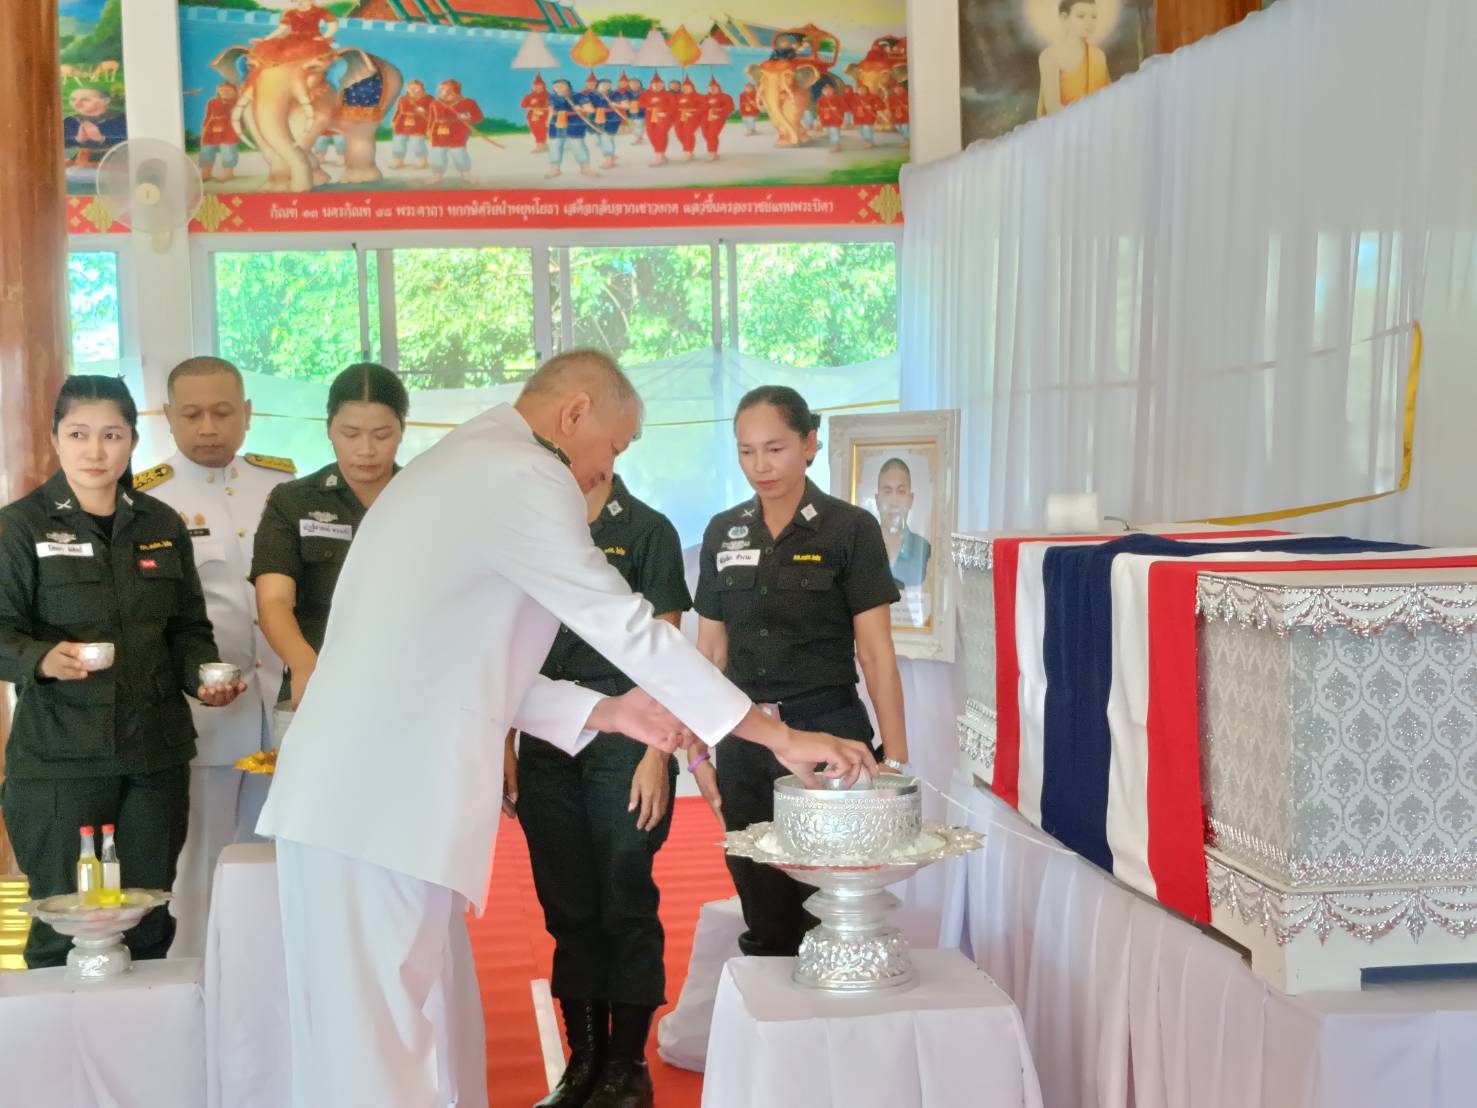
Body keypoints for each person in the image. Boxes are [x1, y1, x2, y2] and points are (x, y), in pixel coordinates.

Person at [255, 350, 874, 1108]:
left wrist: (607, 711)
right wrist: (773, 736)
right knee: (372, 1047)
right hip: (371, 802)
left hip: (372, 802)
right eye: (612, 447)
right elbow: (621, 623)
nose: (603, 471)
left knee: (391, 1032)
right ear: (574, 413)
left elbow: (454, 659)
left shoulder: (467, 462)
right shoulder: (522, 473)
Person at [0, 376, 244, 969]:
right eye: (78, 434)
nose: (95, 450)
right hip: (60, 761)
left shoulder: (161, 522)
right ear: (56, 439)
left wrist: (203, 679)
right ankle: (63, 1058)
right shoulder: (22, 525)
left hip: (153, 755)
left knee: (148, 917)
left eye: (111, 435)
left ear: (133, 439)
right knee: (66, 922)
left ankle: (149, 1053)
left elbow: (187, 628)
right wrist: (41, 659)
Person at [690, 385, 910, 957]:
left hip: (830, 736)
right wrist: (697, 751)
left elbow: (877, 653)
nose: (759, 466)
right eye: (746, 452)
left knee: (835, 912)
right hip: (743, 738)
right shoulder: (723, 532)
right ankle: (773, 1042)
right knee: (764, 912)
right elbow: (709, 655)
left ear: (810, 444)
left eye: (775, 448)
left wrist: (897, 760)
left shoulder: (850, 529)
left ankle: (835, 1037)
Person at [507, 472, 704, 1108]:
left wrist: (657, 754)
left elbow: (668, 649)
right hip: (546, 735)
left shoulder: (646, 529)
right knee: (567, 902)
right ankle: (584, 1059)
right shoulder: (531, 526)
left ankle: (627, 1065)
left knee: (624, 893)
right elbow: (504, 644)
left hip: (630, 733)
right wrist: (501, 743)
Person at [137, 357, 296, 959]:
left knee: (275, 852)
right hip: (203, 712)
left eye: (224, 412)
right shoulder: (147, 498)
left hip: (283, 700)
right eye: (193, 414)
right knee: (198, 859)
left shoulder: (281, 487)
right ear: (168, 419)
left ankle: (270, 977)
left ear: (248, 414)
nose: (209, 427)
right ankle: (195, 978)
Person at [250, 363, 406, 714]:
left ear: (402, 431)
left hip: (410, 686)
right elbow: (274, 601)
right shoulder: (293, 501)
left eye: (382, 435)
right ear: (329, 429)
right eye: (350, 434)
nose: (366, 449)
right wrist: (306, 666)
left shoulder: (429, 498)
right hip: (316, 680)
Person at [1038, 0, 1111, 117]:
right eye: (1081, 16)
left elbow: (1109, 98)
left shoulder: (1098, 56)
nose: (1089, 22)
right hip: (1066, 127)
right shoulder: (1050, 56)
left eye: (1094, 17)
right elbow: (1053, 108)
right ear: (1064, 18)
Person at [875, 457, 933, 589]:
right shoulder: (862, 548)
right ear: (877, 500)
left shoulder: (924, 549)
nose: (894, 502)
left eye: (901, 492)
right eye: (887, 492)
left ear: (910, 500)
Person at [428, 78, 482, 184]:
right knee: (438, 153)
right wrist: (429, 129)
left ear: (455, 91)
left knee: (459, 153)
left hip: (458, 131)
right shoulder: (435, 103)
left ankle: (466, 174)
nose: (441, 92)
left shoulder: (469, 102)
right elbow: (432, 118)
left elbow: (478, 117)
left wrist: (467, 116)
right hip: (439, 132)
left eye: (445, 90)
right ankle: (437, 175)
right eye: (441, 89)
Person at [250, 0, 337, 66]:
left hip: (312, 39)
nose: (300, 3)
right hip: (292, 39)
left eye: (303, 1)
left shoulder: (320, 11)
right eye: (296, 1)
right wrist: (265, 39)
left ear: (311, 1)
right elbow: (280, 30)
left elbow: (333, 25)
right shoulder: (290, 13)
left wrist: (324, 37)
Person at [63, 87, 127, 168]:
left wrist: (102, 139)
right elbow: (54, 143)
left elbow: (130, 140)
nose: (77, 104)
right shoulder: (70, 121)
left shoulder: (120, 119)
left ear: (105, 101)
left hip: (116, 163)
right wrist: (77, 139)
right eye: (73, 99)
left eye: (85, 100)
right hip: (81, 163)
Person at [547, 77, 595, 179]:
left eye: (561, 85)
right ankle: (555, 169)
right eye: (556, 86)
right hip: (556, 124)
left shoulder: (579, 96)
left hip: (575, 123)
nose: (558, 88)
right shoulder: (552, 97)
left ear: (568, 86)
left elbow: (590, 109)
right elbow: (551, 111)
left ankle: (585, 168)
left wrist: (580, 109)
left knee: (578, 146)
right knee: (555, 146)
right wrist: (548, 121)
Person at [198, 82, 242, 181]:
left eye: (228, 90)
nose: (224, 92)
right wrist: (204, 130)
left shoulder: (239, 103)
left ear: (235, 91)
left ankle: (228, 173)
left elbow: (242, 118)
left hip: (229, 129)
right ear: (218, 91)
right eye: (222, 90)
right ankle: (206, 173)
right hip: (212, 129)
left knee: (228, 150)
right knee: (206, 151)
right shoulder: (212, 102)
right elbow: (208, 117)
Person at [391, 79, 433, 169]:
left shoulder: (429, 99)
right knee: (398, 142)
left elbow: (434, 113)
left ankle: (422, 162)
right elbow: (398, 111)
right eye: (410, 88)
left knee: (417, 143)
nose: (413, 90)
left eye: (416, 88)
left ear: (422, 88)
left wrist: (424, 112)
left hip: (419, 123)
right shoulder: (402, 99)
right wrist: (394, 121)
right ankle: (398, 162)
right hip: (402, 124)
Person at [585, 77, 625, 169]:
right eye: (603, 85)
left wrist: (616, 104)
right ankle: (612, 155)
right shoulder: (591, 95)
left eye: (608, 85)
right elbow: (586, 106)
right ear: (598, 85)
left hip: (611, 119)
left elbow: (625, 105)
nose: (606, 86)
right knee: (600, 141)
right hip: (595, 120)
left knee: (606, 139)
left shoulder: (614, 94)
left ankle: (609, 159)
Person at [640, 77, 676, 166]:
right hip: (650, 117)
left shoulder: (668, 94)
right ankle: (662, 154)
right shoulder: (646, 93)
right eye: (655, 84)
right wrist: (650, 103)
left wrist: (664, 112)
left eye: (659, 84)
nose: (657, 86)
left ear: (663, 85)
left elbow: (674, 106)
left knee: (660, 134)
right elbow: (640, 103)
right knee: (651, 134)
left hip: (663, 117)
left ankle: (659, 157)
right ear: (651, 85)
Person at [701, 77, 734, 162]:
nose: (712, 89)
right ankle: (714, 151)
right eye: (710, 88)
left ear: (718, 88)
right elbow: (702, 108)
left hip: (718, 118)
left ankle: (712, 153)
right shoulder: (705, 97)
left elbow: (730, 107)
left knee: (712, 134)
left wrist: (720, 115)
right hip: (706, 118)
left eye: (714, 88)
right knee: (706, 134)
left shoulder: (726, 96)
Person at [674, 77, 704, 162]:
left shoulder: (699, 96)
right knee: (679, 133)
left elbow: (703, 108)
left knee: (688, 132)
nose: (685, 89)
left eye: (688, 87)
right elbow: (674, 107)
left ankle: (687, 152)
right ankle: (689, 150)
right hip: (680, 117)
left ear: (692, 87)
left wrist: (692, 113)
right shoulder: (678, 97)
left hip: (692, 117)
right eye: (684, 87)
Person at [848, 82, 884, 149]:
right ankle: (868, 140)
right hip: (858, 116)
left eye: (863, 89)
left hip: (868, 116)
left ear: (866, 90)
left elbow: (880, 105)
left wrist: (872, 107)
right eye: (859, 89)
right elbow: (850, 106)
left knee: (867, 128)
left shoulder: (873, 96)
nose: (861, 91)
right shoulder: (854, 97)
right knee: (861, 130)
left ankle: (868, 141)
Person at [521, 74, 552, 154]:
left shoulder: (549, 95)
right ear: (532, 86)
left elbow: (553, 106)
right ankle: (541, 144)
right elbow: (523, 105)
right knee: (535, 130)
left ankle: (541, 145)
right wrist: (531, 106)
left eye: (539, 86)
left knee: (542, 129)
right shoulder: (529, 96)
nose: (536, 87)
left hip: (544, 115)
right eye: (535, 86)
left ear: (543, 86)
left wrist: (545, 108)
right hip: (532, 116)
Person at [816, 83, 847, 153]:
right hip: (826, 118)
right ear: (823, 92)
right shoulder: (820, 99)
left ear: (833, 91)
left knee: (834, 130)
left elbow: (844, 107)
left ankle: (836, 144)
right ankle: (836, 144)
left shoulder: (838, 98)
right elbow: (818, 109)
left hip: (835, 117)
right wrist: (821, 113)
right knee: (829, 131)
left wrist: (836, 108)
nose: (827, 92)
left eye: (829, 90)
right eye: (826, 91)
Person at [625, 76, 647, 145]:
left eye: (636, 83)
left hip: (641, 111)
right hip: (630, 112)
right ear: (629, 84)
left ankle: (639, 139)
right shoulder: (627, 92)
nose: (634, 84)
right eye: (632, 83)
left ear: (639, 84)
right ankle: (639, 137)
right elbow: (624, 100)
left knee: (639, 124)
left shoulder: (644, 91)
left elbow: (647, 100)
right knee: (633, 125)